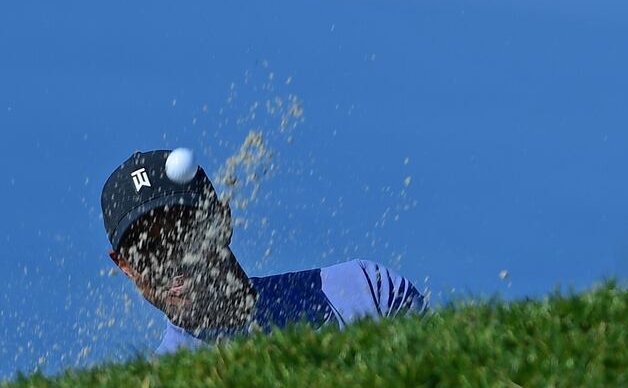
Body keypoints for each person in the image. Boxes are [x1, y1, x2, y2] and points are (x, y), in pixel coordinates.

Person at [101, 150, 427, 355]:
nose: (173, 261)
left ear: (221, 222)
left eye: (182, 233)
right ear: (126, 267)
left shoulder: (364, 289)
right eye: (149, 250)